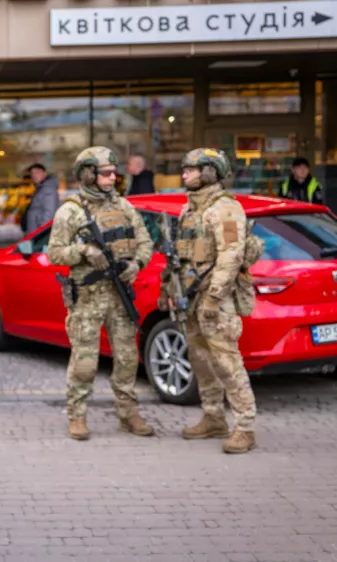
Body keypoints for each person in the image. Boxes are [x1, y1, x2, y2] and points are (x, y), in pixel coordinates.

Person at [47, 147, 155, 441]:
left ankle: (128, 413)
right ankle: (77, 415)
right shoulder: (70, 211)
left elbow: (145, 242)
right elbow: (54, 253)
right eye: (106, 173)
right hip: (88, 296)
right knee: (84, 361)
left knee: (127, 358)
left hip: (120, 296)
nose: (113, 177)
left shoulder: (124, 207)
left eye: (114, 172)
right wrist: (83, 251)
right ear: (88, 174)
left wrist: (137, 264)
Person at [161, 148, 260, 454]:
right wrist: (168, 288)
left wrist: (215, 297)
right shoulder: (189, 210)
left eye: (190, 169)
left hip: (215, 300)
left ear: (208, 172)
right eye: (184, 169)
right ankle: (213, 416)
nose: (184, 174)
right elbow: (179, 255)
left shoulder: (225, 209)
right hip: (190, 297)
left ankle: (245, 426)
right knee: (201, 359)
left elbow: (231, 256)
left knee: (227, 361)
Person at [23, 163, 60, 234]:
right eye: (32, 173)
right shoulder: (40, 189)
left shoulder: (48, 189)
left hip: (39, 234)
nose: (34, 175)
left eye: (37, 172)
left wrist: (41, 233)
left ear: (45, 173)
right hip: (35, 232)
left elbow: (49, 213)